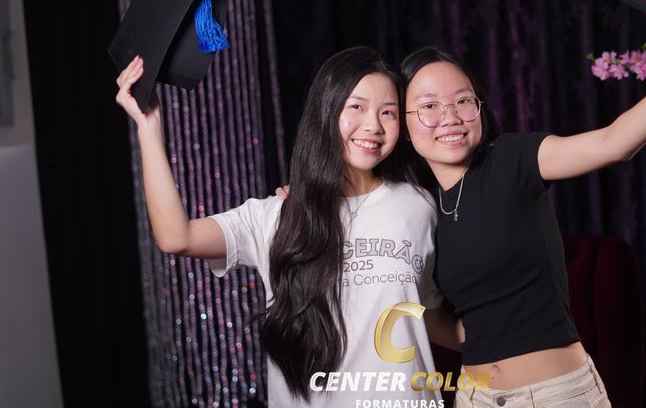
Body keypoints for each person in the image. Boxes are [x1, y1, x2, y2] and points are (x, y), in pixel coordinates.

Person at [115, 46, 460, 407]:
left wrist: (495, 339)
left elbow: (422, 312)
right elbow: (176, 237)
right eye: (356, 107)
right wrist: (148, 127)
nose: (373, 125)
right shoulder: (276, 216)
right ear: (326, 111)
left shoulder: (417, 206)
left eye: (387, 112)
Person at [400, 5, 646, 407]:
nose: (450, 117)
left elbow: (613, 143)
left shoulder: (512, 160)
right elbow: (432, 315)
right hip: (475, 397)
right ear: (404, 126)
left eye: (462, 101)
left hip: (557, 395)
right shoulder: (418, 207)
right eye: (429, 106)